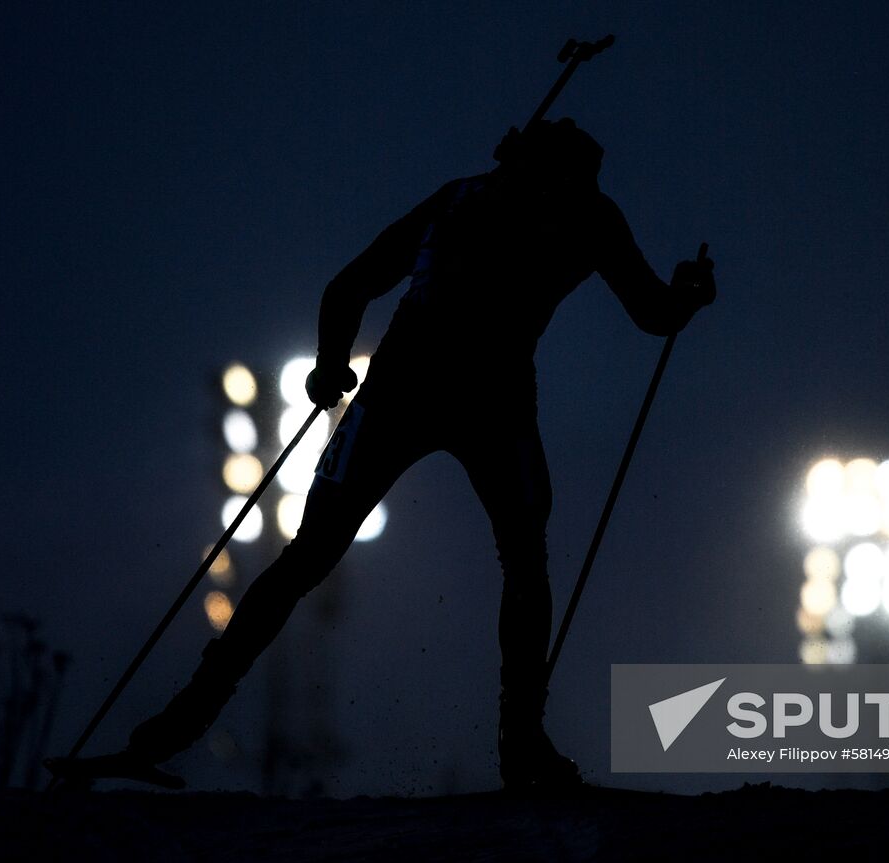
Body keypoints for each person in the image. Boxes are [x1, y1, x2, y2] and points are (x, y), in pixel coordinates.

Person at [123, 118, 716, 790]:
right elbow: (655, 315)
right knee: (520, 563)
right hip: (482, 398)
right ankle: (521, 742)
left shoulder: (470, 199)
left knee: (311, 558)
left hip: (411, 393)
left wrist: (329, 368)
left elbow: (350, 286)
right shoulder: (582, 215)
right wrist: (688, 296)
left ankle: (181, 723)